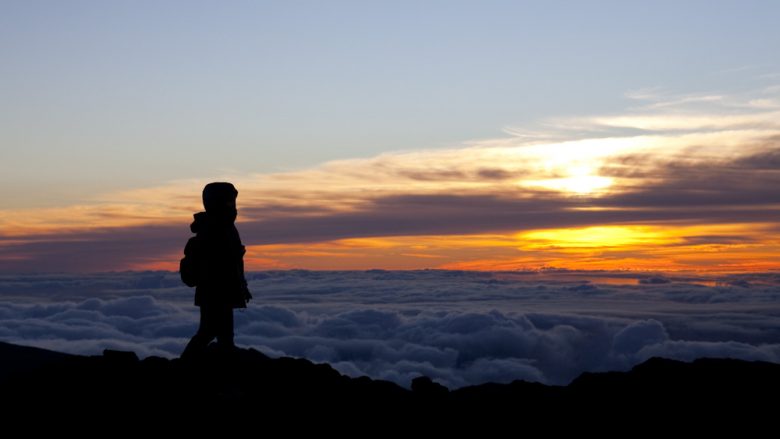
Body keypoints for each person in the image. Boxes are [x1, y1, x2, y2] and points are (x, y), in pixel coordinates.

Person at [181, 182, 251, 358]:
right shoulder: (214, 227)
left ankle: (221, 370)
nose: (232, 205)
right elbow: (219, 262)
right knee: (208, 331)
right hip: (215, 291)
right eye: (228, 201)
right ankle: (184, 366)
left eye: (232, 201)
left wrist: (242, 287)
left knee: (223, 335)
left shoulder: (224, 226)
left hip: (222, 290)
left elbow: (231, 261)